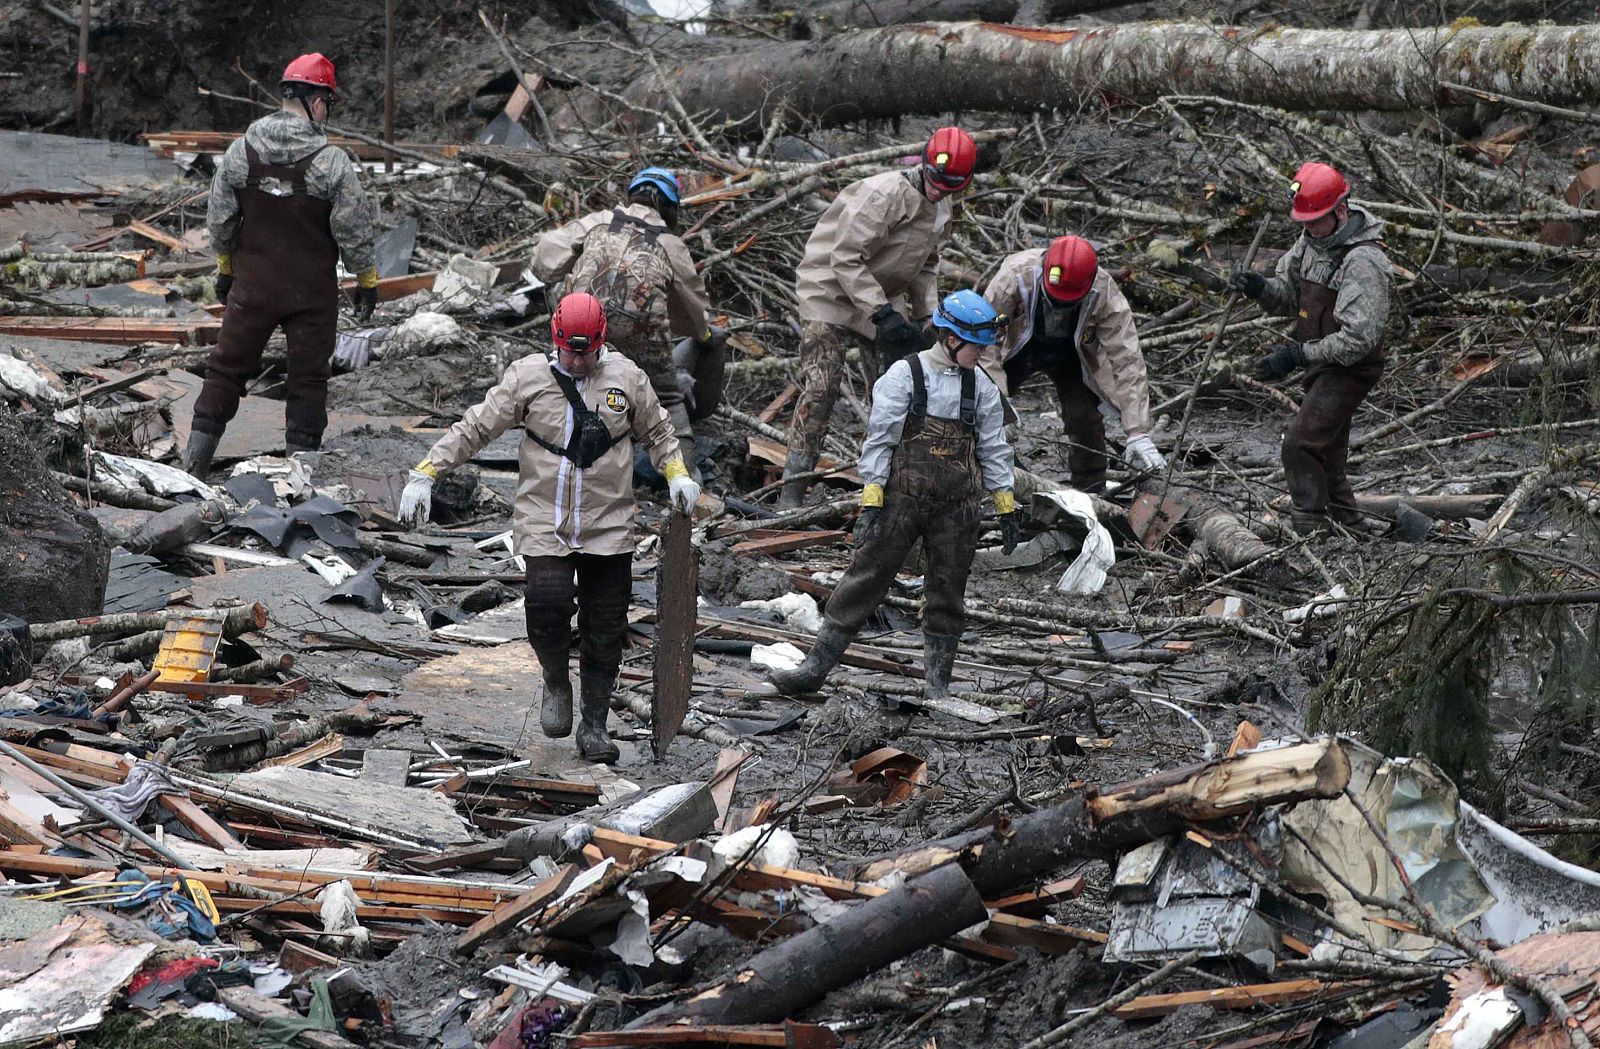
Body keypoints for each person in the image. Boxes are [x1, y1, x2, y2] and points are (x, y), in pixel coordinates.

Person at [397, 293, 701, 763]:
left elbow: (659, 433)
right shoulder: (528, 378)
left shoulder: (628, 380)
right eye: (569, 351)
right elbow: (475, 427)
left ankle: (595, 723)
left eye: (586, 352)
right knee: (547, 603)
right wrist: (426, 473)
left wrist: (678, 473)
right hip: (544, 519)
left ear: (601, 343)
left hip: (608, 524)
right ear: (555, 341)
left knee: (606, 622)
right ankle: (556, 679)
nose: (577, 361)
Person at [770, 290, 1017, 704]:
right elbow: (880, 442)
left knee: (948, 591)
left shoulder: (984, 389)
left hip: (957, 509)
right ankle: (813, 670)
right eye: (976, 346)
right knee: (864, 580)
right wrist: (871, 502)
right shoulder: (905, 376)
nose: (982, 353)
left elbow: (994, 449)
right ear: (951, 340)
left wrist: (1006, 507)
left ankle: (937, 687)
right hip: (899, 500)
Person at [186, 53, 378, 477]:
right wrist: (366, 279)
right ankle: (301, 476)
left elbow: (219, 217)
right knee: (308, 381)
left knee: (225, 368)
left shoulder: (241, 152)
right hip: (312, 296)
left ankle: (193, 466)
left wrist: (225, 267)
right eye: (328, 101)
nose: (328, 112)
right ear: (314, 99)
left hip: (253, 287)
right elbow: (353, 228)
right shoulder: (332, 163)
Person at [778, 127, 978, 509]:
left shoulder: (942, 209)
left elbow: (926, 265)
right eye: (935, 181)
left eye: (949, 185)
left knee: (893, 393)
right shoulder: (885, 194)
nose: (939, 190)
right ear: (923, 166)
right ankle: (792, 489)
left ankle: (886, 484)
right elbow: (845, 257)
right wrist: (881, 312)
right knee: (822, 389)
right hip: (831, 292)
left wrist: (926, 319)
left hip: (882, 298)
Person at [1229, 162, 1392, 531]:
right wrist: (1257, 287)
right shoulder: (1310, 242)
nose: (1308, 229)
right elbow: (1288, 297)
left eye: (1315, 220)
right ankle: (1352, 527)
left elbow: (1358, 341)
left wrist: (1297, 355)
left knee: (1300, 446)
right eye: (1304, 222)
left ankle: (1309, 529)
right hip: (1322, 360)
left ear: (1340, 210)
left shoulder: (1364, 262)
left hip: (1350, 368)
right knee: (1327, 452)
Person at [530, 166, 722, 477]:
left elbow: (545, 254)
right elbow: (694, 309)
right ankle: (681, 478)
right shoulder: (670, 244)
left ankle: (556, 447)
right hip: (640, 332)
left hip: (584, 325)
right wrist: (701, 336)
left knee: (571, 380)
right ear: (671, 208)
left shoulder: (600, 221)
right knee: (668, 399)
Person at [981, 235, 1164, 492]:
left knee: (1085, 418)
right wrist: (996, 399)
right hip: (1019, 347)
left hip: (1072, 355)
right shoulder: (1016, 276)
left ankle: (1092, 488)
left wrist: (1138, 432)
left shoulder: (1105, 293)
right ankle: (994, 475)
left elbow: (1127, 360)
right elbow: (984, 339)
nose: (1060, 306)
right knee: (984, 408)